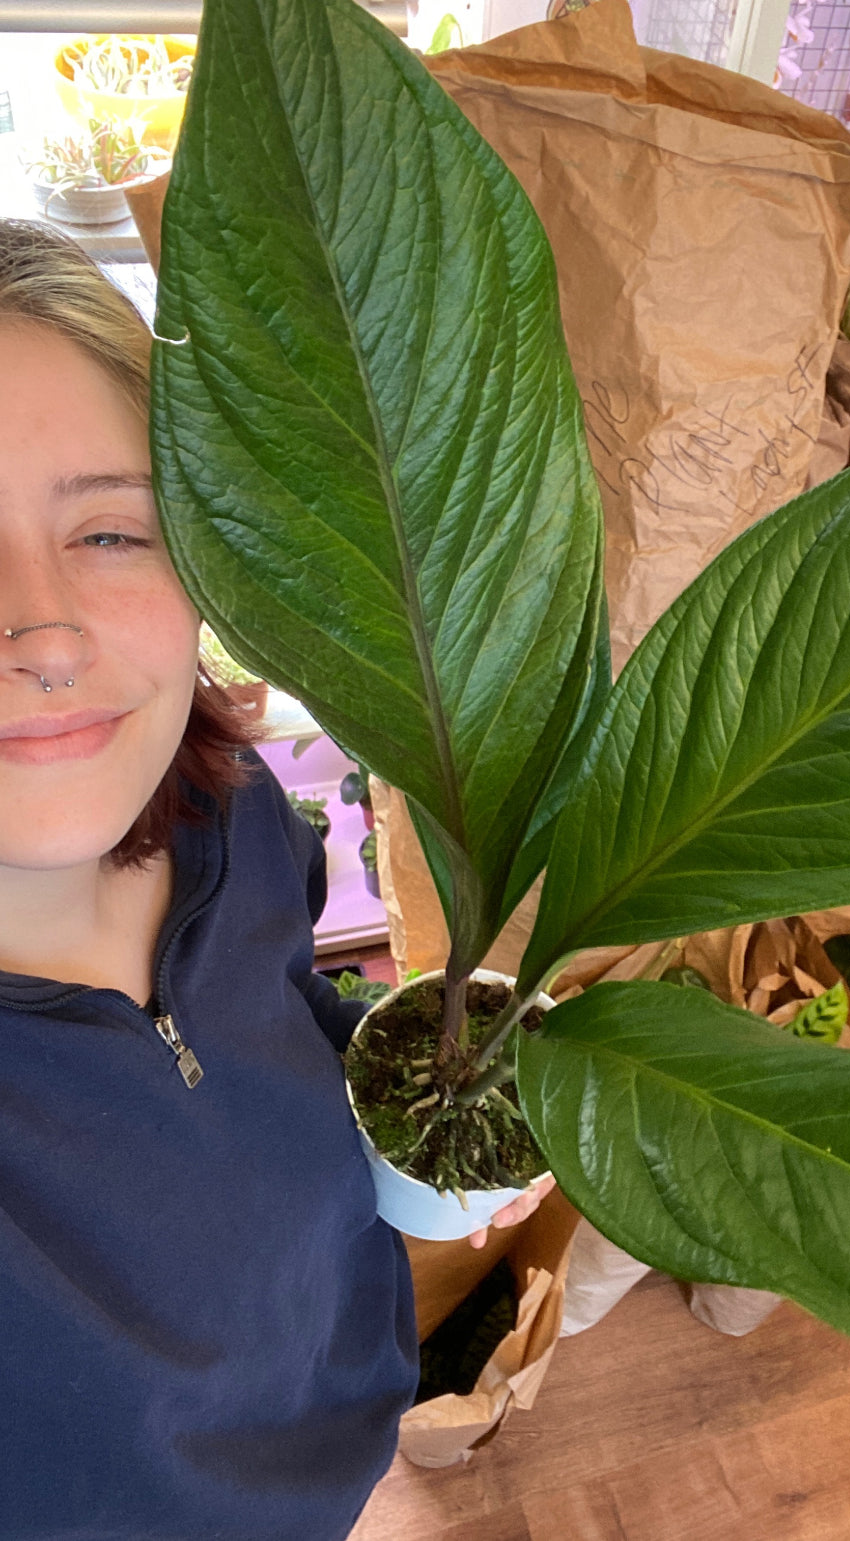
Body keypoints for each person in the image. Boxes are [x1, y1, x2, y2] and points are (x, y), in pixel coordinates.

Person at [0, 218, 551, 1541]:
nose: (47, 632)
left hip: (353, 1428)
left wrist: (416, 1074)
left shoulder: (231, 819)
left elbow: (273, 1015)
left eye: (112, 533)